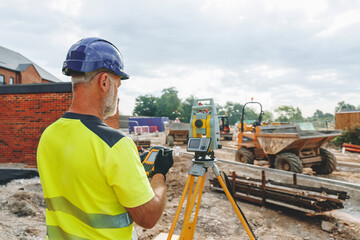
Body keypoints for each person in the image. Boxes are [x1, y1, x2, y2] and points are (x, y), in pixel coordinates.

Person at [37, 37, 173, 240]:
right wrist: (160, 173)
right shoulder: (115, 145)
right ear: (104, 82)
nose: (117, 94)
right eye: (117, 86)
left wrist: (131, 166)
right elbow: (148, 216)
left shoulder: (49, 135)